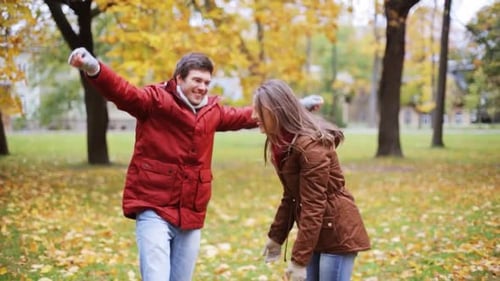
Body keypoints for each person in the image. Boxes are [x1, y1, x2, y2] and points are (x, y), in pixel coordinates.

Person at [67, 48, 323, 281]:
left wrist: (298, 106)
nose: (202, 87)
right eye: (196, 81)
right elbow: (123, 92)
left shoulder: (212, 112)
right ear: (179, 79)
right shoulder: (154, 101)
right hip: (153, 206)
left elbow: (247, 115)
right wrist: (93, 67)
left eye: (206, 83)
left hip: (191, 212)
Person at [253, 79, 370, 281]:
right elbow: (291, 196)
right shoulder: (283, 144)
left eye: (259, 111)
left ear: (277, 111)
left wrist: (298, 261)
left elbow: (313, 205)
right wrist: (276, 236)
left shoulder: (311, 148)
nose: (254, 116)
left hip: (337, 232)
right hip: (314, 232)